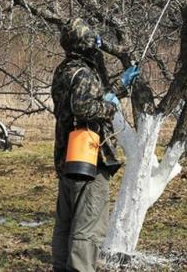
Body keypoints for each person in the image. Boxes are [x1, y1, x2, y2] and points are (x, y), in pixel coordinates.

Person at [51, 18, 139, 272]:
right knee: (87, 230)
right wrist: (111, 105)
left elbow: (86, 97)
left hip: (67, 158)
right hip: (88, 160)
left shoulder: (64, 70)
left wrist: (120, 86)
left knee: (65, 226)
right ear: (86, 45)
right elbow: (85, 107)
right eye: (93, 42)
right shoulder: (85, 74)